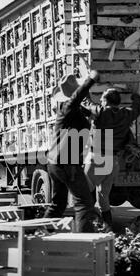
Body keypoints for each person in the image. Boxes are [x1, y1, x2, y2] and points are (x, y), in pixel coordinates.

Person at [44, 71, 100, 233]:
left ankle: (42, 235)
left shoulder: (71, 111)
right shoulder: (68, 107)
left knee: (58, 204)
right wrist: (90, 80)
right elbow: (77, 98)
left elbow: (87, 112)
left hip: (56, 163)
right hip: (67, 162)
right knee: (84, 204)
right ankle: (85, 244)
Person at [83, 88, 140, 232]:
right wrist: (135, 96)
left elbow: (87, 104)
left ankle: (87, 226)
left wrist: (84, 90)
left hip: (97, 157)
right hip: (112, 160)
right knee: (103, 196)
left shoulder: (101, 112)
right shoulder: (126, 114)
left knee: (83, 194)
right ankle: (108, 226)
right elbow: (137, 110)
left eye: (102, 100)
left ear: (105, 101)